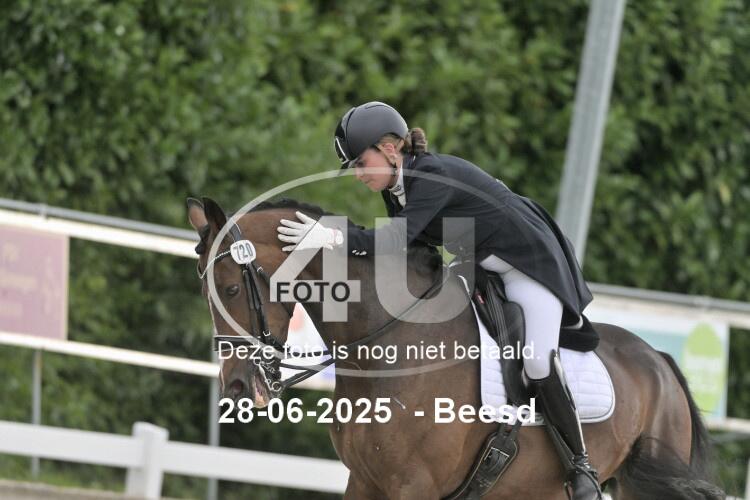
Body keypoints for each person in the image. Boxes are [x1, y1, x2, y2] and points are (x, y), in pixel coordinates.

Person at [276, 101, 602, 500]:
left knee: (537, 361)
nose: (359, 174)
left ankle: (580, 466)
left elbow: (393, 240)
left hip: (528, 266)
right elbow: (406, 245)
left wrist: (330, 235)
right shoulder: (397, 187)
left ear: (389, 149)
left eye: (361, 163)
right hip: (481, 268)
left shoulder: (431, 175)